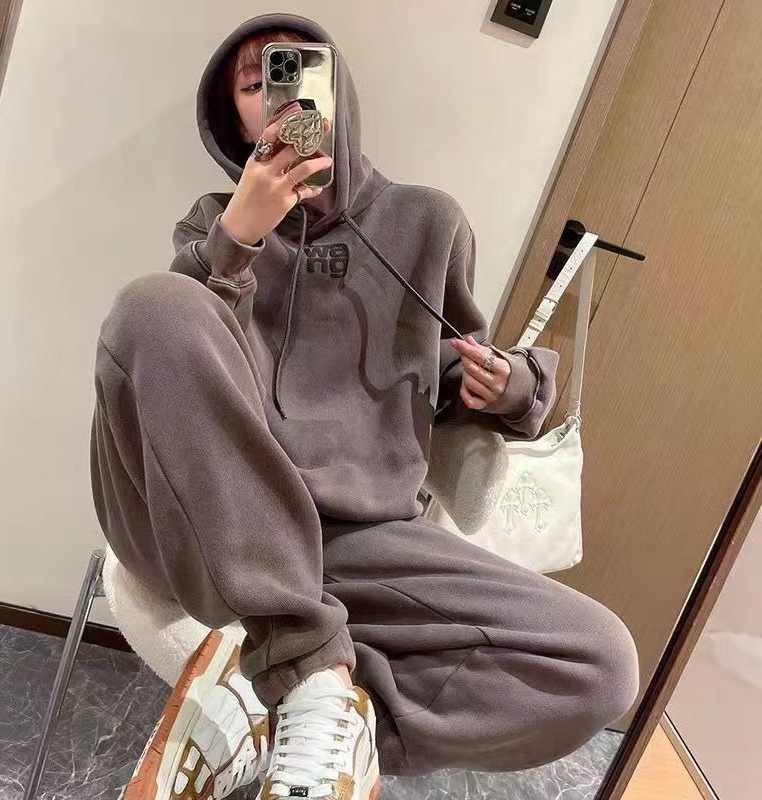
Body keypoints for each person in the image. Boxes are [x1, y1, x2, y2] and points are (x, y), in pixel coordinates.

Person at [90, 12, 639, 800]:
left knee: (599, 665)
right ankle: (304, 670)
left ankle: (292, 713)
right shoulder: (215, 220)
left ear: (335, 88)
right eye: (253, 83)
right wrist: (238, 241)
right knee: (154, 304)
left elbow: (453, 370)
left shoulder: (428, 221)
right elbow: (178, 371)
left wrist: (515, 386)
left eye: (294, 69)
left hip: (357, 541)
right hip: (203, 526)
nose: (278, 94)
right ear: (233, 120)